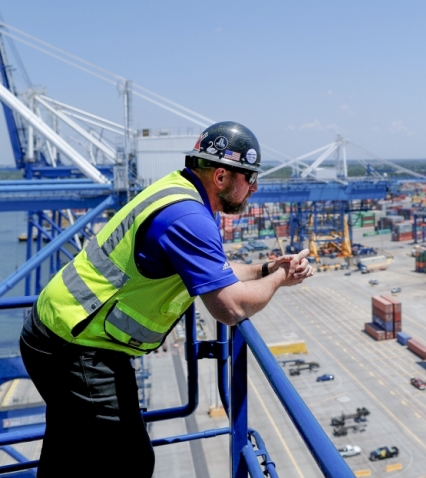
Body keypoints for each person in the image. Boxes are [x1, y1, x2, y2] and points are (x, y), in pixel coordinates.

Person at [19, 121, 314, 477]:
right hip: (78, 346)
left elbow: (213, 270)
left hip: (54, 328)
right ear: (221, 176)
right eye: (250, 177)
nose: (255, 187)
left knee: (70, 448)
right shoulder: (190, 218)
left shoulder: (178, 190)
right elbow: (231, 307)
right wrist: (281, 279)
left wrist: (265, 268)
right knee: (131, 462)